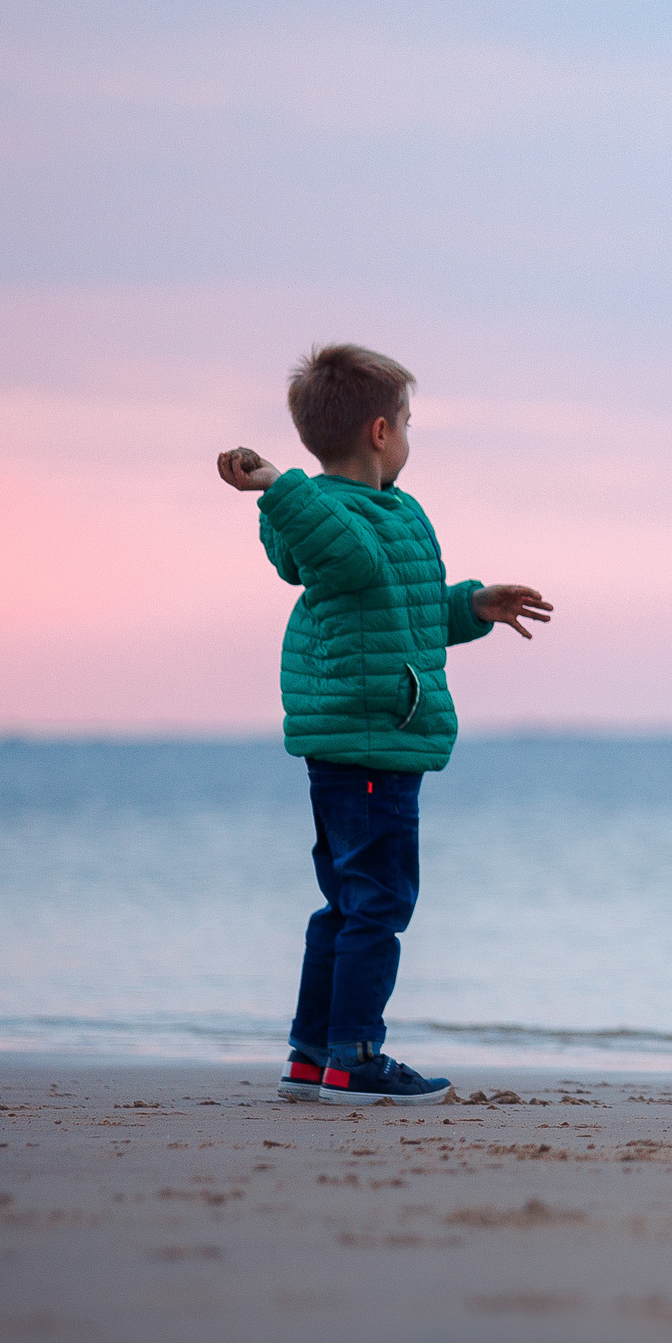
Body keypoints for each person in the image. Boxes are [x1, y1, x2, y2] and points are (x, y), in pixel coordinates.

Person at [215, 344, 551, 1108]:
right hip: (369, 744)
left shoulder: (388, 514)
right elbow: (346, 552)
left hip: (366, 738)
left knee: (348, 900)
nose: (408, 437)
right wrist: (278, 485)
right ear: (378, 432)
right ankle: (357, 1055)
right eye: (405, 423)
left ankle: (313, 1052)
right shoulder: (331, 517)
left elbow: (400, 612)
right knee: (380, 901)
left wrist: (470, 606)